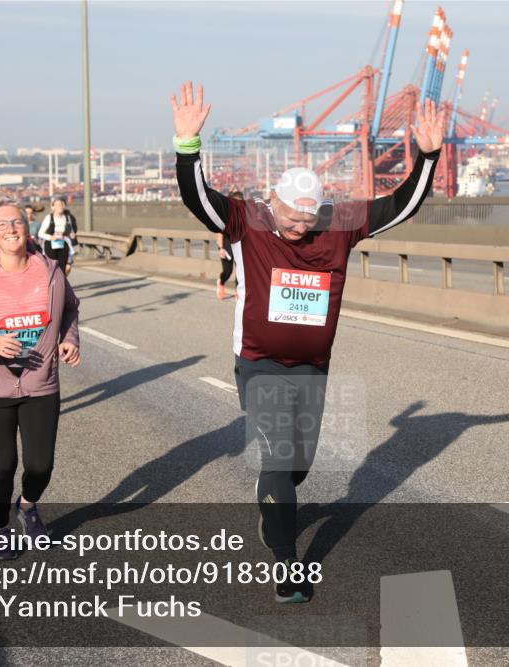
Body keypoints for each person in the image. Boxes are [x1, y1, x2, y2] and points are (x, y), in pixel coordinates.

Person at [172, 81, 443, 602]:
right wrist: (188, 146)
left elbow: (401, 206)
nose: (296, 225)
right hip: (260, 361)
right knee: (277, 462)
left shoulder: (338, 224)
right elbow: (198, 198)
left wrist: (427, 156)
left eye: (305, 217)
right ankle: (287, 564)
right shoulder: (247, 219)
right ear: (271, 199)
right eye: (288, 215)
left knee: (300, 464)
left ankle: (275, 500)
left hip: (312, 365)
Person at [0, 194, 81, 560]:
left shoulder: (51, 272)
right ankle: (1, 528)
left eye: (17, 222)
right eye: (2, 224)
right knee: (3, 465)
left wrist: (69, 340)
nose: (11, 229)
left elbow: (70, 309)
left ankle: (27, 506)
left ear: (28, 227)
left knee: (41, 465)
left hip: (40, 383)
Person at [215, 188, 243, 300]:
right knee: (227, 272)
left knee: (240, 272)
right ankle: (221, 282)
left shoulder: (245, 216)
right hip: (227, 248)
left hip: (240, 248)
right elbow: (220, 233)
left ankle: (238, 292)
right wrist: (220, 248)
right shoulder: (226, 216)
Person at [37, 196, 77, 275]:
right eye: (58, 205)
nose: (60, 207)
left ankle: (61, 285)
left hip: (63, 243)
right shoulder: (49, 218)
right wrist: (51, 237)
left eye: (62, 204)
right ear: (53, 207)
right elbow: (40, 233)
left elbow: (70, 231)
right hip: (50, 245)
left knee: (63, 267)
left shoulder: (67, 218)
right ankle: (52, 285)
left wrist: (71, 234)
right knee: (52, 267)